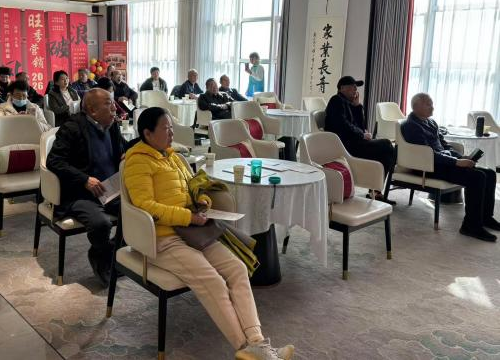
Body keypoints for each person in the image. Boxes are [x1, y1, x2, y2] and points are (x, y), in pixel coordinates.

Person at [124, 107, 295, 360]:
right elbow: (145, 206)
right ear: (147, 134)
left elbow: (192, 188)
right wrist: (188, 217)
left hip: (193, 232)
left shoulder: (173, 157)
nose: (172, 133)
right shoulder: (137, 161)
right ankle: (245, 348)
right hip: (162, 238)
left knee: (237, 268)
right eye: (166, 129)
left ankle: (257, 341)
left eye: (172, 128)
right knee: (212, 280)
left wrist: (202, 201)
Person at [47, 89, 125, 286]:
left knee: (139, 213)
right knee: (101, 224)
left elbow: (122, 149)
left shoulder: (112, 126)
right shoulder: (72, 128)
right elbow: (54, 161)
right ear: (92, 109)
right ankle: (101, 255)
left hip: (110, 189)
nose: (114, 107)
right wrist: (84, 179)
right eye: (108, 103)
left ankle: (111, 252)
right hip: (81, 193)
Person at [402, 93, 499, 242]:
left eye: (432, 104)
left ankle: (485, 217)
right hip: (427, 166)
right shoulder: (411, 126)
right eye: (428, 104)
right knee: (477, 177)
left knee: (490, 173)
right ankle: (470, 226)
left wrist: (461, 157)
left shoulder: (431, 122)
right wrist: (456, 162)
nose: (432, 107)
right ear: (416, 107)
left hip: (442, 163)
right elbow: (427, 154)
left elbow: (444, 145)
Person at [324, 76, 395, 203]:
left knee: (386, 152)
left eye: (356, 88)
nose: (355, 90)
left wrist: (357, 106)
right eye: (352, 87)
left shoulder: (349, 103)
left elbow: (360, 126)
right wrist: (362, 135)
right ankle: (376, 190)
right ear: (342, 88)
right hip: (345, 145)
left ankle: (375, 191)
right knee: (387, 145)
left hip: (353, 142)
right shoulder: (336, 101)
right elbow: (342, 124)